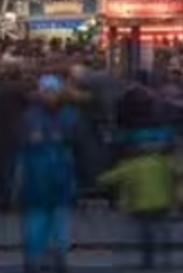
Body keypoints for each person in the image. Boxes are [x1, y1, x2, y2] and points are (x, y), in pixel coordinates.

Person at [15, 75, 81, 273]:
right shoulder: (29, 117)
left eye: (53, 91)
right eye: (46, 91)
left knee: (59, 225)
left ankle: (58, 258)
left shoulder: (69, 116)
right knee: (38, 225)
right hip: (37, 181)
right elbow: (20, 150)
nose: (50, 95)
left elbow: (79, 146)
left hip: (61, 180)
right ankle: (35, 260)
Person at [97, 138, 174, 269]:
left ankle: (148, 261)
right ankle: (166, 257)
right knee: (161, 230)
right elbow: (170, 181)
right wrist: (171, 201)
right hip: (161, 204)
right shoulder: (162, 163)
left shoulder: (133, 165)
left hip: (142, 206)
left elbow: (114, 176)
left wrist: (98, 180)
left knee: (146, 234)